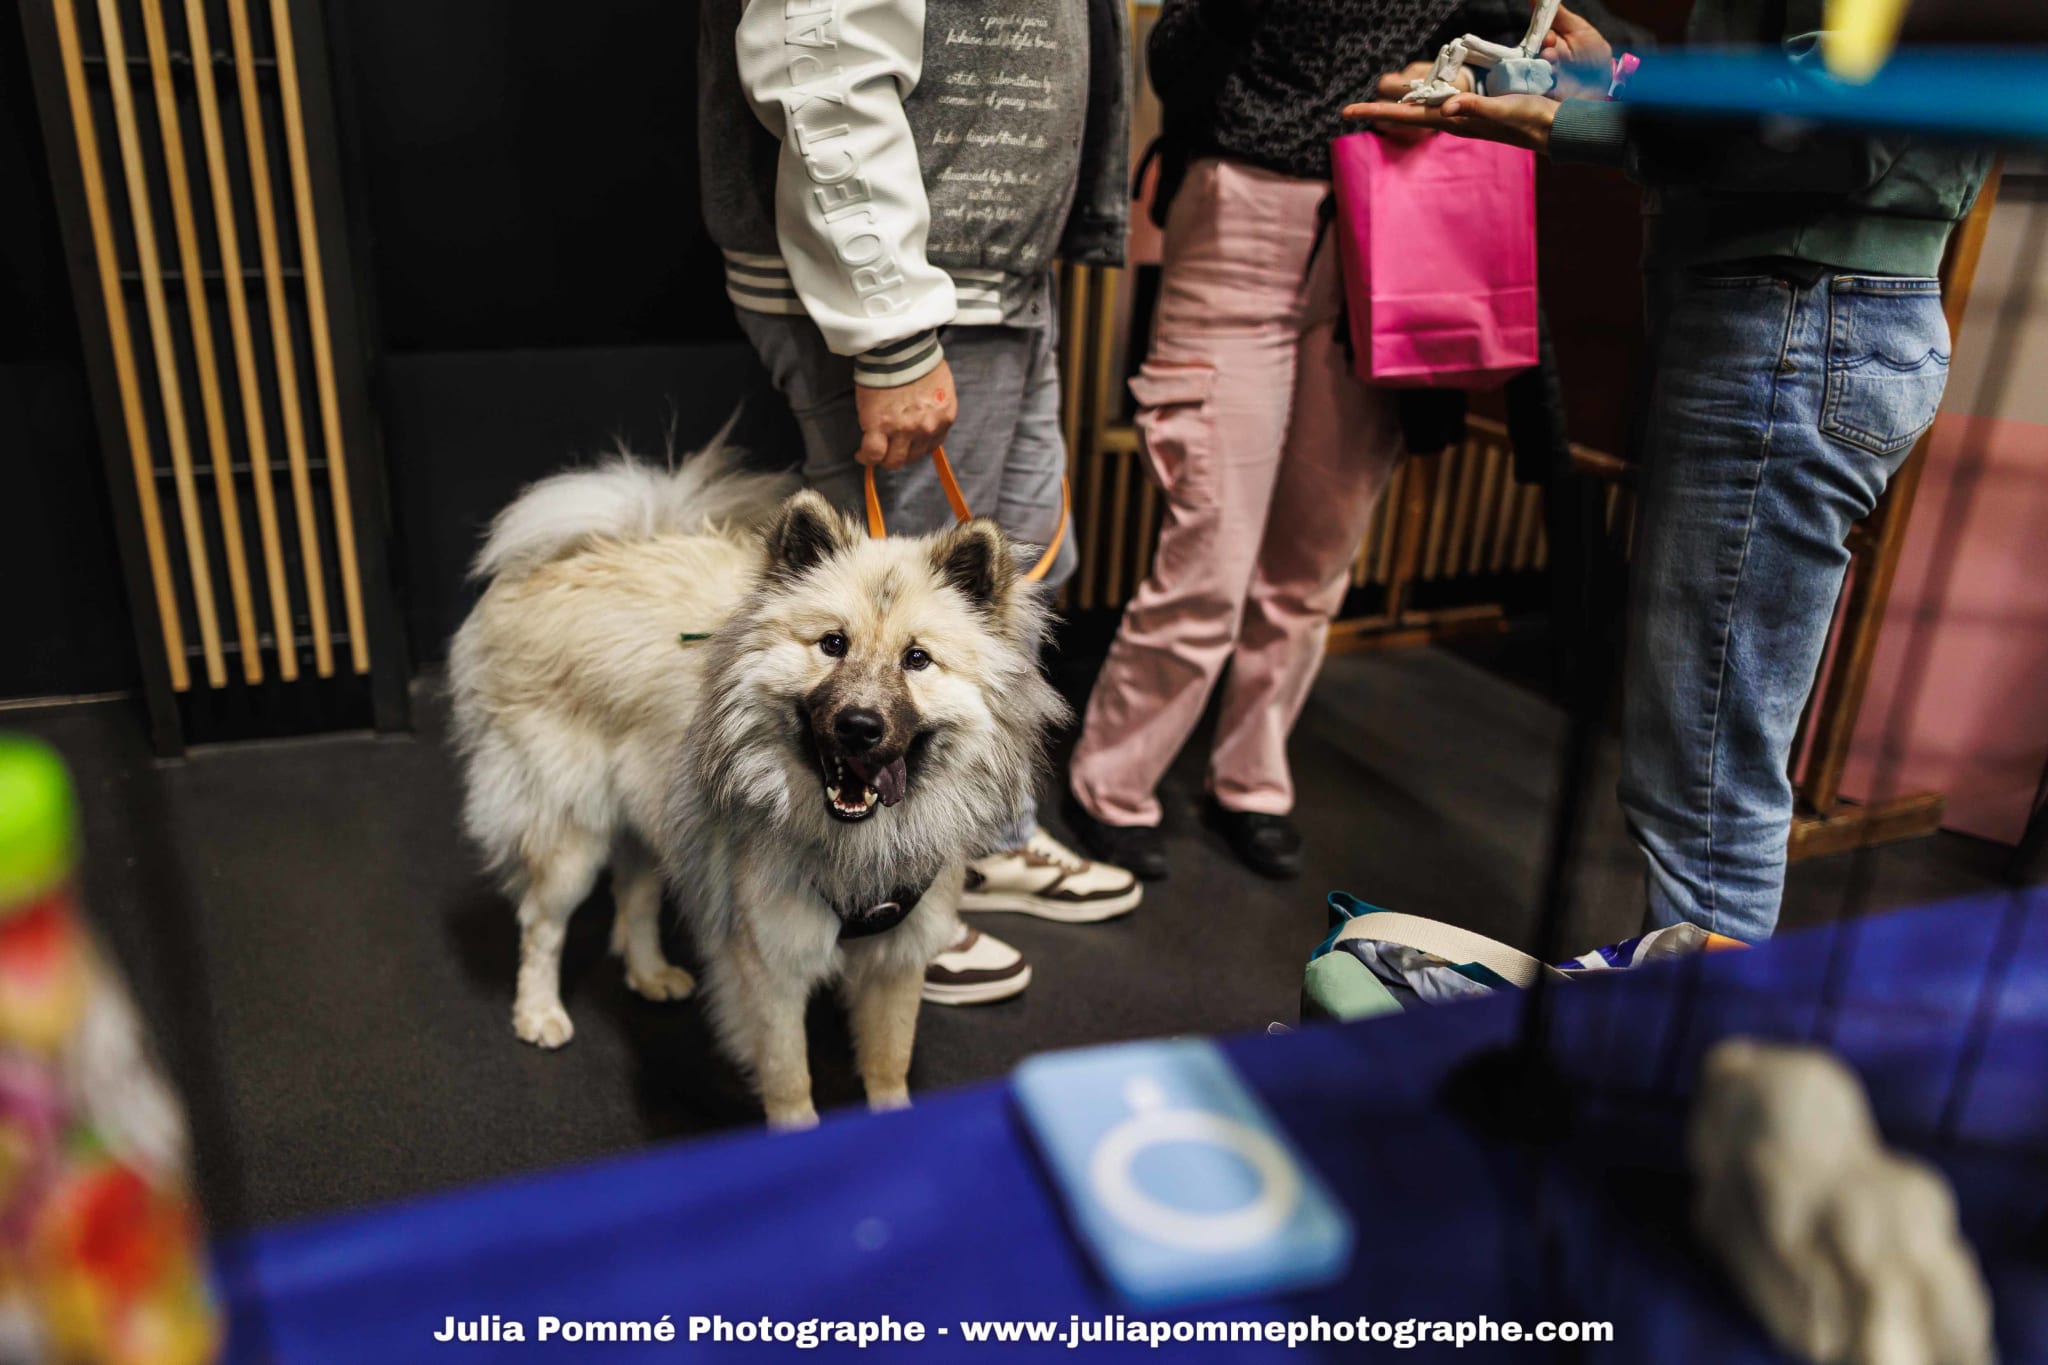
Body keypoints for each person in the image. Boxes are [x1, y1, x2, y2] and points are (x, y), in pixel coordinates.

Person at [1348, 2, 1993, 940]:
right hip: (1813, 313)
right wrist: (1627, 82)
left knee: (1706, 788)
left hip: (1790, 316)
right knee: (1706, 767)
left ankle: (1689, 1031)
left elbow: (1836, 117)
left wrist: (1568, 123)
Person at [698, 0, 1142, 1004]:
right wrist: (891, 328)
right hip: (902, 284)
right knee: (873, 642)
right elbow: (822, 47)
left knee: (1004, 598)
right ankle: (887, 901)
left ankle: (983, 839)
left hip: (998, 271)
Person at [1062, 0, 1522, 882]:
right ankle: (1111, 781)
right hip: (1242, 209)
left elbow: (1540, 40)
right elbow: (1174, 64)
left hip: (1396, 216)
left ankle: (1249, 780)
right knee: (1209, 553)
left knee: (1314, 557)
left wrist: (1461, 84)